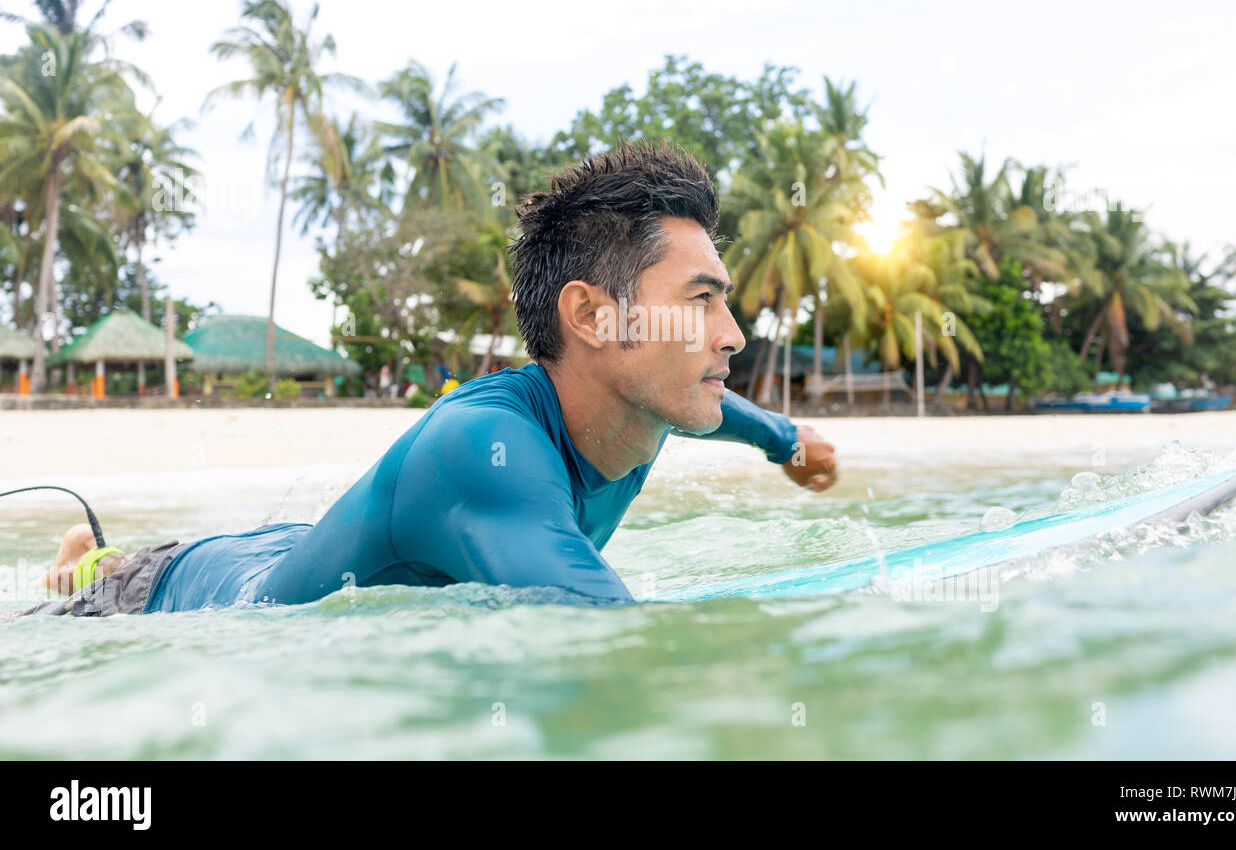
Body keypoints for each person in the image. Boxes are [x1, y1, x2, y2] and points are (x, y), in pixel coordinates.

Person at [10, 141, 837, 618]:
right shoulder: (484, 449)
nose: (730, 336)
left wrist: (787, 441)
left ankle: (99, 552)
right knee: (85, 599)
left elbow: (722, 409)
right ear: (592, 317)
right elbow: (608, 633)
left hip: (296, 544)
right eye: (699, 302)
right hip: (191, 593)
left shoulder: (654, 399)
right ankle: (97, 565)